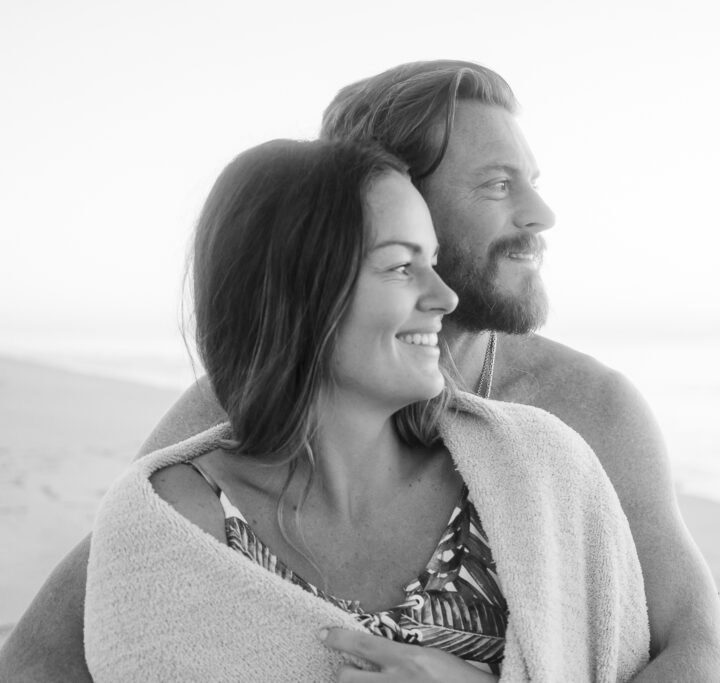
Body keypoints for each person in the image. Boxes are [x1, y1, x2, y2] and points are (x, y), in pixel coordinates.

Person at [0, 61, 720, 681]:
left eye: (532, 180)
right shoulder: (229, 422)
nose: (540, 213)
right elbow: (52, 649)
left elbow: (700, 652)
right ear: (384, 194)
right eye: (496, 185)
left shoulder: (584, 410)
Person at [85, 138, 649, 681]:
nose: (445, 297)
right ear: (297, 292)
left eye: (434, 261)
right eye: (402, 267)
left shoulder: (544, 471)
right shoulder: (173, 527)